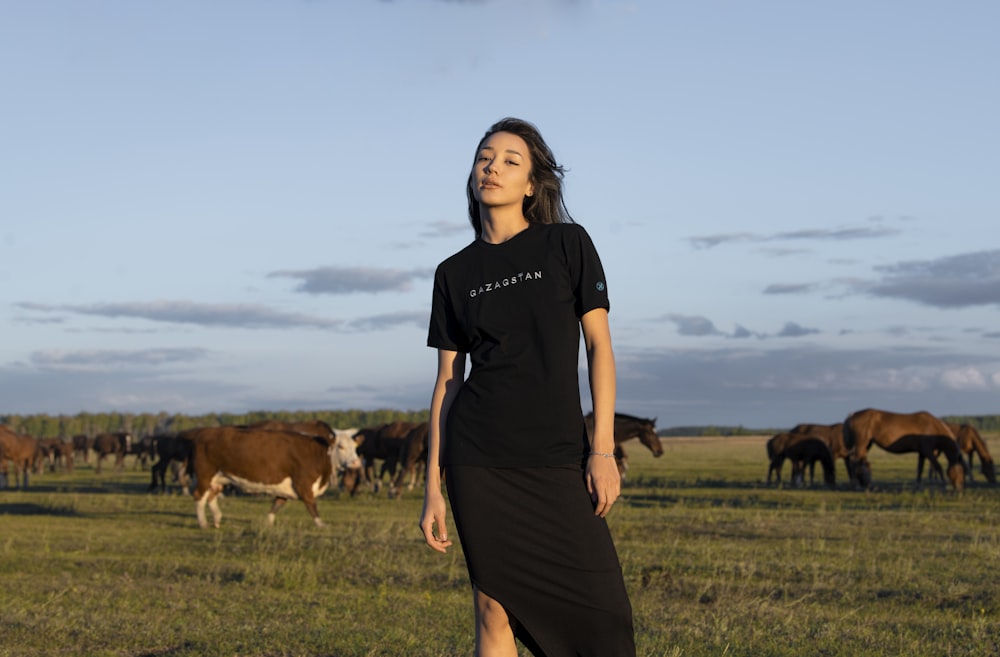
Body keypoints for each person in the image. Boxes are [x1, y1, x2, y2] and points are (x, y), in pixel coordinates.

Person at [420, 117, 636, 657]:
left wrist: (602, 449)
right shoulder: (453, 272)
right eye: (484, 157)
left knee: (607, 618)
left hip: (558, 456)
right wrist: (432, 487)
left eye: (510, 161)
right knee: (493, 610)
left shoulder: (566, 244)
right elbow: (448, 382)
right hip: (478, 459)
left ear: (532, 184)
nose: (492, 167)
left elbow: (599, 348)